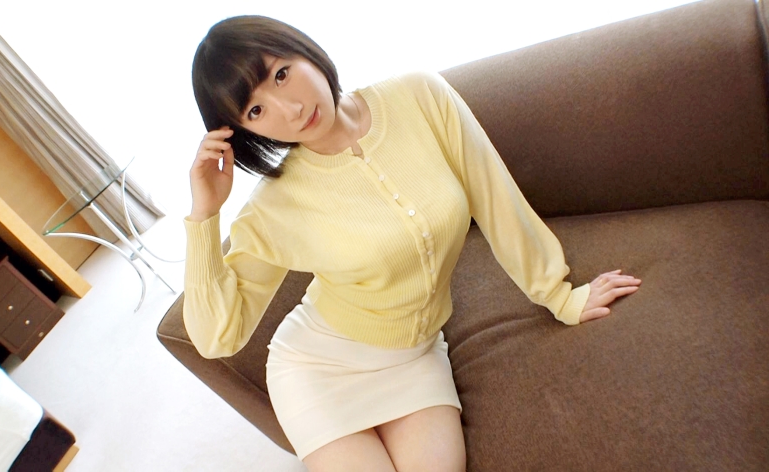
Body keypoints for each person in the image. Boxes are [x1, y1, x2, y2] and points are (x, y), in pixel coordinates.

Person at [185, 15, 641, 472]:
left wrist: (558, 295)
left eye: (281, 74)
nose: (289, 109)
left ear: (302, 48)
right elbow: (216, 337)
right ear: (244, 132)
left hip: (416, 359)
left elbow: (494, 195)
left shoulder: (419, 96)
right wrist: (204, 215)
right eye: (256, 111)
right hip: (317, 370)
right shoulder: (274, 207)